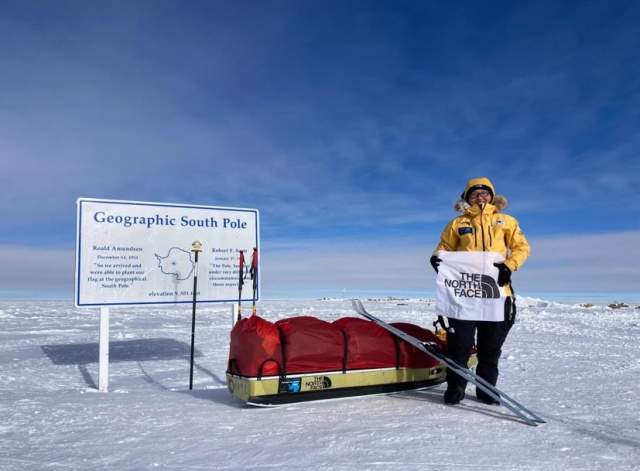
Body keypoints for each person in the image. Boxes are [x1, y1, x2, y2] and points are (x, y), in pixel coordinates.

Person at [430, 177, 530, 405]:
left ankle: (487, 391)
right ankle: (456, 388)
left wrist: (508, 265)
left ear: (492, 196)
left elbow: (522, 248)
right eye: (474, 194)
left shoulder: (506, 221)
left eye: (484, 193)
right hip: (464, 293)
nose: (480, 196)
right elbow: (444, 247)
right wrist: (437, 259)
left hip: (495, 292)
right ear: (466, 198)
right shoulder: (457, 224)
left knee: (490, 347)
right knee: (460, 346)